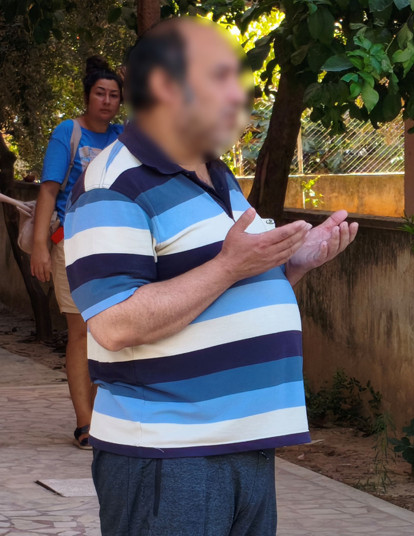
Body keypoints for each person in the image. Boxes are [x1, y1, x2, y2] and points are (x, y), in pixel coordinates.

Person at [64, 17, 358, 535]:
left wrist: (294, 264)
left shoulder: (216, 174)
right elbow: (113, 322)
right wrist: (228, 266)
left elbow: (224, 292)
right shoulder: (111, 183)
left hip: (243, 447)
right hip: (166, 456)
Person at [30, 56, 123, 449]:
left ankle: (107, 418)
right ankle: (86, 423)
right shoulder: (67, 132)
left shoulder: (123, 137)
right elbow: (49, 191)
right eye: (99, 93)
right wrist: (37, 246)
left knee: (112, 334)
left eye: (114, 95)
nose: (106, 101)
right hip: (71, 243)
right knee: (80, 332)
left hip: (115, 245)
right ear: (87, 97)